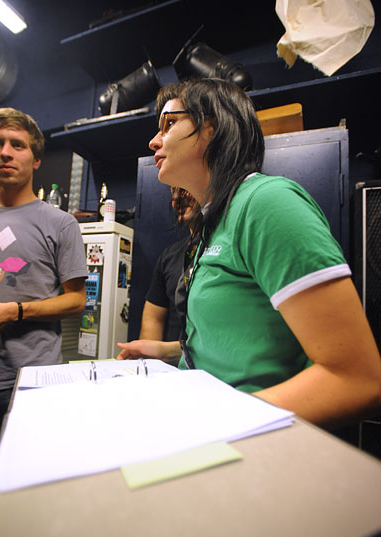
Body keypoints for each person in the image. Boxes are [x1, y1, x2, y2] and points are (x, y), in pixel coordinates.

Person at [117, 78, 381, 429]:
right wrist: (167, 350)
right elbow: (243, 340)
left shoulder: (267, 203)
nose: (154, 141)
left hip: (248, 437)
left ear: (211, 128)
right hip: (202, 418)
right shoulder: (212, 224)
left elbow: (358, 379)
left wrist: (217, 422)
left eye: (169, 124)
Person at [0, 107, 87, 500]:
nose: (6, 152)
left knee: (33, 495)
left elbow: (76, 300)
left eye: (18, 145)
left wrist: (14, 312)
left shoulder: (60, 223)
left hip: (33, 381)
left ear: (36, 158)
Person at [140, 187, 200, 342]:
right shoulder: (169, 256)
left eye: (185, 189)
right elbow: (153, 319)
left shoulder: (230, 245)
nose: (177, 199)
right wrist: (148, 354)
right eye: (173, 191)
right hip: (175, 357)